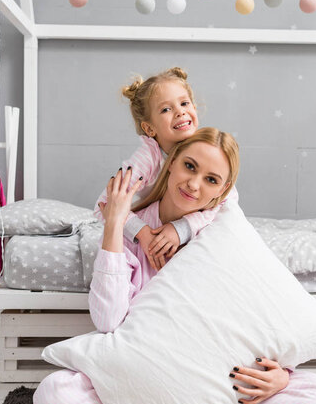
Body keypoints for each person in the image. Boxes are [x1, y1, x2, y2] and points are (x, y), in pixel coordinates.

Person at [33, 128, 316, 404]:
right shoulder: (133, 232)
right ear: (171, 163)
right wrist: (115, 224)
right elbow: (108, 321)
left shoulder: (223, 237)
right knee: (54, 395)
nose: (194, 184)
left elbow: (258, 317)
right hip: (142, 383)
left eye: (210, 179)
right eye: (189, 166)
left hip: (210, 391)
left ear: (222, 192)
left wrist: (281, 377)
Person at [94, 67, 238, 271]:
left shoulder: (206, 148)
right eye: (166, 109)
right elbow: (105, 203)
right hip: (146, 227)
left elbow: (229, 201)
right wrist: (142, 233)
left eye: (184, 103)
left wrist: (181, 228)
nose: (180, 111)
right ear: (150, 128)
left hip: (177, 228)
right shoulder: (147, 158)